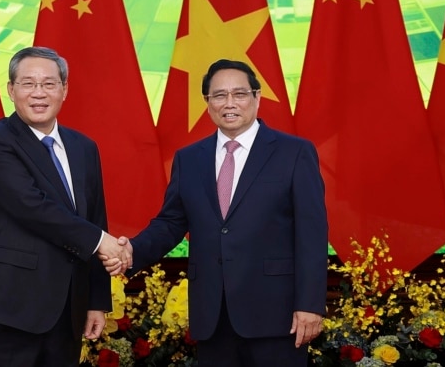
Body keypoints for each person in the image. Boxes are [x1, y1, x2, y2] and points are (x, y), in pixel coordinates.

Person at [104, 59, 328, 367]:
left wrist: (310, 305)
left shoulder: (294, 152)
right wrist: (131, 251)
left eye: (239, 94)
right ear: (208, 103)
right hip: (213, 318)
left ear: (257, 97)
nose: (230, 103)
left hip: (278, 316)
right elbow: (171, 223)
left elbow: (312, 234)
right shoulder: (189, 158)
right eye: (219, 95)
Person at [0, 46, 130, 367]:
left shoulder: (83, 147)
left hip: (68, 312)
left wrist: (96, 302)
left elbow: (96, 218)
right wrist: (103, 242)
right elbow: (32, 207)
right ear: (11, 90)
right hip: (11, 310)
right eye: (28, 84)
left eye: (49, 84)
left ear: (64, 90)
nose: (39, 93)